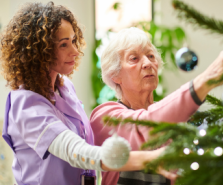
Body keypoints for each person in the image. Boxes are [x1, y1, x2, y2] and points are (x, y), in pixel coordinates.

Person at [0, 2, 176, 185]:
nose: (75, 51)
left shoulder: (65, 89)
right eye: (63, 45)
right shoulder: (26, 104)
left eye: (74, 41)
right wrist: (147, 159)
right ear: (39, 51)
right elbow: (76, 152)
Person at [90, 27, 223, 185]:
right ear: (115, 75)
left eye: (151, 56)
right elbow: (146, 125)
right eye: (134, 58)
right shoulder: (105, 116)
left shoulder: (175, 116)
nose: (148, 63)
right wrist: (205, 80)